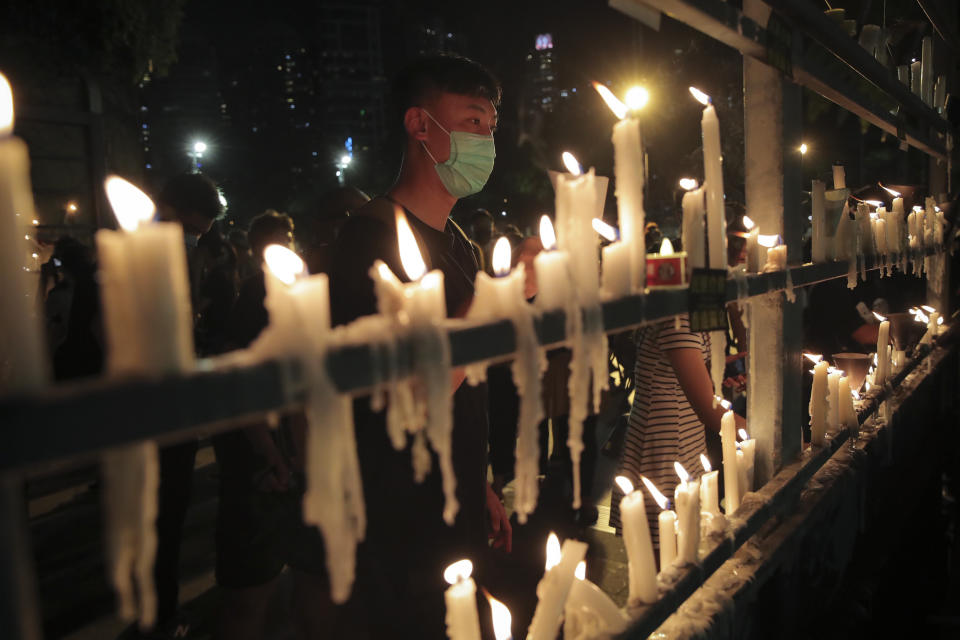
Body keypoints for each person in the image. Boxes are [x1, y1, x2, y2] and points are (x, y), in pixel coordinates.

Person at [328, 53, 509, 638]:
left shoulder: (460, 244)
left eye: (491, 126)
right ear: (419, 124)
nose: (487, 138)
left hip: (455, 498)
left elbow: (458, 390)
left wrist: (476, 475)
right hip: (398, 515)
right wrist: (491, 303)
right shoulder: (371, 238)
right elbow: (404, 396)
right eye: (473, 121)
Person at [213, 209, 330, 640]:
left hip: (308, 466)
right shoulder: (252, 297)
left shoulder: (319, 291)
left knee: (317, 584)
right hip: (263, 470)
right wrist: (270, 453)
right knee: (250, 594)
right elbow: (238, 378)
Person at [148, 172, 225, 638]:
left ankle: (156, 608)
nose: (192, 245)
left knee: (161, 514)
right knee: (161, 513)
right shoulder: (154, 253)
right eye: (192, 232)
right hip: (159, 403)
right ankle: (157, 614)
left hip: (161, 401)